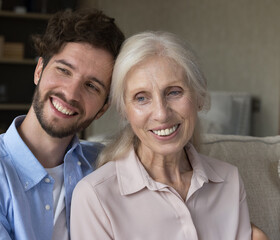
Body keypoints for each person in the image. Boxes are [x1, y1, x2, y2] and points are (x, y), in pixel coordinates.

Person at [0, 8, 124, 240]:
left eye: (92, 86)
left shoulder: (108, 167)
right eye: (63, 70)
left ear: (103, 108)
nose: (71, 93)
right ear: (39, 70)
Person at [70, 31, 267, 240]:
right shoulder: (95, 196)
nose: (162, 114)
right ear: (124, 111)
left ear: (199, 96)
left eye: (174, 92)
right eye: (141, 98)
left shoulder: (229, 180)